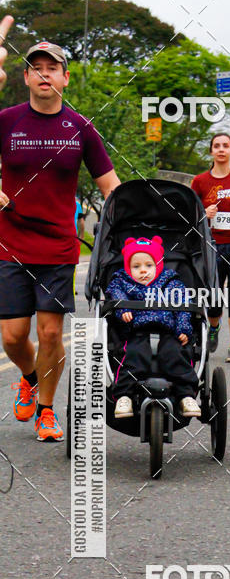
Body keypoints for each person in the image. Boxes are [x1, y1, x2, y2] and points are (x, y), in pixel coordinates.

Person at [0, 38, 120, 441]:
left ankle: (48, 410)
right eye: (36, 68)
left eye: (52, 68)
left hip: (57, 243)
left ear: (65, 78)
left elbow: (110, 186)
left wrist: (133, 220)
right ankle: (30, 377)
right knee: (14, 335)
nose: (44, 74)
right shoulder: (7, 120)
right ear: (26, 77)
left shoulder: (81, 128)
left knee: (51, 332)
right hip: (10, 241)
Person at [105, 236, 201, 419]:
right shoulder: (121, 282)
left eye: (149, 266)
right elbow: (114, 294)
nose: (143, 271)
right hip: (136, 331)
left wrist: (183, 328)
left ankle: (186, 395)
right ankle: (124, 395)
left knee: (176, 354)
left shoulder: (170, 282)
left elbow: (182, 305)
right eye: (136, 267)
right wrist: (123, 308)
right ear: (127, 268)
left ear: (158, 265)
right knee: (132, 355)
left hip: (169, 332)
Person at [191, 133, 230, 363]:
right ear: (211, 152)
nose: (221, 149)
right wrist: (203, 215)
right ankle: (213, 327)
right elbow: (189, 214)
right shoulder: (200, 182)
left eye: (225, 146)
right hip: (212, 246)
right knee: (214, 298)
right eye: (216, 146)